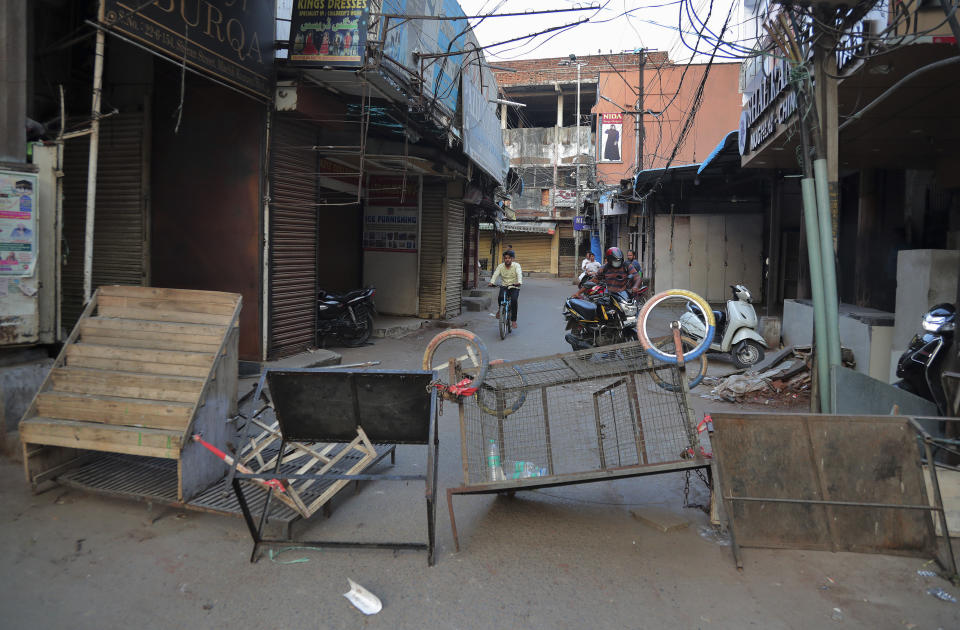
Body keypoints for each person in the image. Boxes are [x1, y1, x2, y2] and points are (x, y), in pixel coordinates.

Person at [488, 249, 522, 328]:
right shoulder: (500, 266)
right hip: (504, 286)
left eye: (509, 258)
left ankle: (513, 321)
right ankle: (500, 310)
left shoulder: (516, 266)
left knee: (514, 300)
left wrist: (519, 282)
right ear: (504, 259)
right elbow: (495, 274)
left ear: (512, 259)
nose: (507, 259)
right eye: (505, 258)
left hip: (514, 286)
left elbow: (519, 273)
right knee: (500, 297)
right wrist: (492, 282)